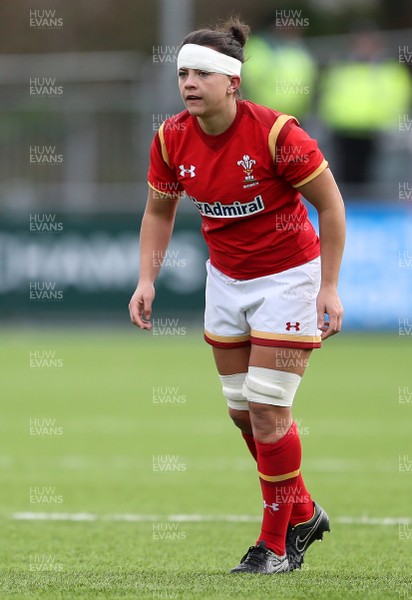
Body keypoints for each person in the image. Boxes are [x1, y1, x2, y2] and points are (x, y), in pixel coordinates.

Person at [129, 17, 345, 574]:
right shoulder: (171, 137)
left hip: (289, 278)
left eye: (202, 72)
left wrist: (328, 286)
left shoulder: (276, 134)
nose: (189, 83)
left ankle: (275, 546)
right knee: (244, 415)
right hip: (225, 280)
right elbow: (159, 210)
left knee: (270, 411)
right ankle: (303, 512)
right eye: (182, 73)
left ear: (233, 81)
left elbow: (331, 206)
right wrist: (146, 279)